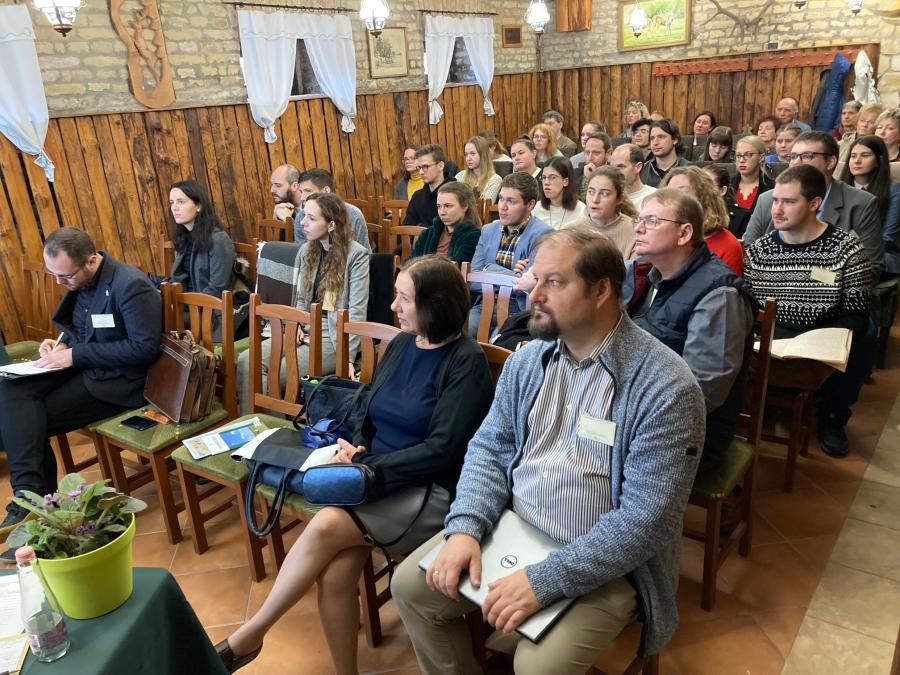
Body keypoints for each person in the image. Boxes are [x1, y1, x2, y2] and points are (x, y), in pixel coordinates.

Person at [391, 226, 706, 675]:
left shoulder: (666, 387)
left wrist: (544, 580)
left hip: (607, 562)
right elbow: (490, 448)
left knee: (537, 667)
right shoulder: (528, 360)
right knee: (411, 589)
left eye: (554, 282)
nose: (533, 294)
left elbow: (646, 519)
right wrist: (465, 527)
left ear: (601, 291)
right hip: (514, 529)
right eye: (536, 278)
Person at [218, 255, 494, 675]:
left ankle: (249, 636)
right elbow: (371, 409)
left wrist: (370, 466)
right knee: (333, 575)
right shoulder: (401, 344)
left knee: (325, 525)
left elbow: (443, 451)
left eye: (404, 298)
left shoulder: (465, 361)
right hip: (374, 477)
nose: (393, 306)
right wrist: (355, 446)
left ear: (435, 305)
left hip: (427, 490)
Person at [0, 228, 161, 552]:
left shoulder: (130, 285)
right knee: (10, 387)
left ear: (90, 260)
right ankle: (32, 498)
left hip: (120, 382)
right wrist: (61, 344)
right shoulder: (83, 281)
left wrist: (75, 354)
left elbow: (144, 348)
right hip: (88, 367)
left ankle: (36, 509)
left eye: (65, 276)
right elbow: (85, 331)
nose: (60, 283)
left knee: (28, 421)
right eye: (54, 275)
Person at [743, 165, 873, 456]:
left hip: (821, 336)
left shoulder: (846, 250)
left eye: (789, 202)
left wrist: (822, 340)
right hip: (770, 336)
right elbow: (749, 306)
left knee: (865, 337)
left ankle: (833, 416)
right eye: (776, 200)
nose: (777, 210)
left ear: (814, 203)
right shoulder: (759, 251)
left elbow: (856, 311)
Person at [625, 188, 755, 458]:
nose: (638, 228)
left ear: (684, 233)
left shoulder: (719, 294)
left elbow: (702, 390)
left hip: (687, 431)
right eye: (639, 220)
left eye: (652, 221)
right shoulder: (650, 275)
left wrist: (627, 411)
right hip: (638, 408)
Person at [236, 193, 369, 414]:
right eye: (304, 215)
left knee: (273, 372)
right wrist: (295, 322)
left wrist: (347, 356)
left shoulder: (356, 255)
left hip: (332, 335)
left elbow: (356, 311)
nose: (302, 223)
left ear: (331, 225)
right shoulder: (308, 250)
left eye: (311, 218)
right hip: (304, 326)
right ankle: (251, 423)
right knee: (246, 361)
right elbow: (301, 297)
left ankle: (270, 426)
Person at [743, 131, 884, 280]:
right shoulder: (768, 200)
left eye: (807, 156)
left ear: (830, 162)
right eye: (793, 156)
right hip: (772, 288)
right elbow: (748, 253)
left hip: (832, 292)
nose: (796, 162)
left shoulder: (861, 203)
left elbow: (870, 268)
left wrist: (808, 275)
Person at [467, 172, 553, 336]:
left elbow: (528, 286)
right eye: (501, 199)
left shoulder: (544, 235)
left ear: (530, 205)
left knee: (498, 340)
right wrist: (514, 275)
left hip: (519, 308)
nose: (502, 207)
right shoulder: (488, 230)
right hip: (485, 304)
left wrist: (489, 269)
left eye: (511, 201)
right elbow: (475, 281)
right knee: (460, 335)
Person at [167, 180, 236, 341]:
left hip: (209, 312)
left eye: (181, 202)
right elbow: (178, 279)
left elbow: (217, 287)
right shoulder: (184, 238)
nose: (174, 208)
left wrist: (182, 304)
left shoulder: (218, 239)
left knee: (156, 320)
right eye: (172, 202)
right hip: (187, 306)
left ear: (198, 206)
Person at [662, 166, 744, 276]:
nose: (673, 199)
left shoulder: (728, 245)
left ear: (704, 198)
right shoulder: (663, 236)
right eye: (669, 193)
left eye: (682, 192)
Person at [838, 135, 900, 275]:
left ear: (879, 160)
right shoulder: (838, 188)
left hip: (880, 254)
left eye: (865, 155)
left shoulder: (894, 190)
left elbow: (888, 237)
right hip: (839, 253)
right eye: (853, 156)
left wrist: (849, 253)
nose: (857, 161)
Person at [284, 168, 371, 251]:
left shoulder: (353, 214)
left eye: (308, 191)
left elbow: (364, 253)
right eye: (301, 192)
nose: (302, 197)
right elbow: (302, 254)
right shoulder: (301, 217)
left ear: (326, 190)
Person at [569, 166, 639, 259]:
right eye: (591, 192)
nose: (595, 200)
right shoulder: (570, 231)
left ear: (619, 199)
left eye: (604, 194)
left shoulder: (635, 231)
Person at [410, 181, 482, 264]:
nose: (442, 212)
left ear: (465, 206)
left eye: (448, 206)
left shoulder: (474, 235)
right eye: (439, 206)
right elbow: (410, 263)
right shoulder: (427, 234)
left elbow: (456, 267)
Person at [404, 144, 453, 228]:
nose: (421, 172)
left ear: (440, 166)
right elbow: (406, 229)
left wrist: (421, 227)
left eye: (425, 166)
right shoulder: (417, 197)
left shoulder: (456, 194)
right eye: (419, 167)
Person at [532, 157, 587, 229]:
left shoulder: (581, 210)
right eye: (544, 177)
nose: (546, 182)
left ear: (565, 181)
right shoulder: (537, 208)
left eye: (552, 177)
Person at [703, 164, 752, 239]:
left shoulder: (742, 217)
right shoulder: (690, 213)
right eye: (699, 185)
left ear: (722, 191)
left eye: (708, 186)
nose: (701, 190)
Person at [640, 119, 690, 188]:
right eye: (652, 138)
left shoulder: (689, 169)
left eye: (661, 137)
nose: (655, 143)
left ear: (675, 140)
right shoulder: (642, 171)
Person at [732, 135, 775, 214]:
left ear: (761, 157)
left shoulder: (772, 188)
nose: (741, 160)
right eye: (738, 155)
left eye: (748, 154)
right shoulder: (728, 185)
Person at [609, 143, 658, 209]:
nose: (614, 172)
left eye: (621, 167)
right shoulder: (607, 198)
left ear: (638, 167)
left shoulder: (655, 197)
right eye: (612, 168)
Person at [456, 136, 502, 202]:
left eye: (472, 154)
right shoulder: (460, 176)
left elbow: (484, 206)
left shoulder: (495, 179)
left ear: (483, 155)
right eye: (466, 154)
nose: (468, 158)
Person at [575, 132, 613, 200]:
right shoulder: (574, 174)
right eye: (587, 152)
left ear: (608, 153)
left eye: (596, 153)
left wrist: (591, 178)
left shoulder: (615, 176)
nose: (590, 158)